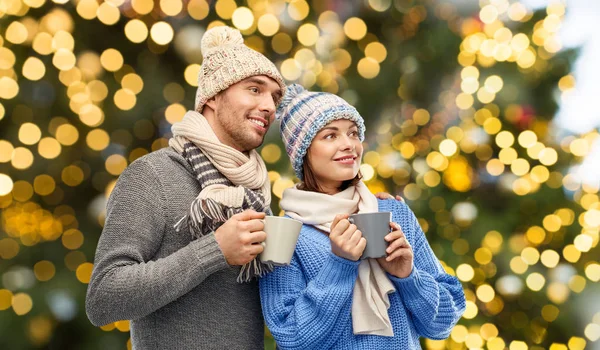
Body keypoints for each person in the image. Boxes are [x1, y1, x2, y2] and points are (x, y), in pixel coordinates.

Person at [85, 26, 287, 349]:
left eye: (275, 97)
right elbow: (103, 298)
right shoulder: (152, 175)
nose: (269, 106)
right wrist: (215, 250)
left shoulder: (256, 192)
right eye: (255, 89)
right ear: (213, 96)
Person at [259, 84, 466, 349]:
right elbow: (291, 338)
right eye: (330, 136)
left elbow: (443, 323)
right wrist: (340, 264)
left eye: (353, 133)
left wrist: (408, 276)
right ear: (304, 152)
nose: (349, 145)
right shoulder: (281, 234)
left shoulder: (394, 213)